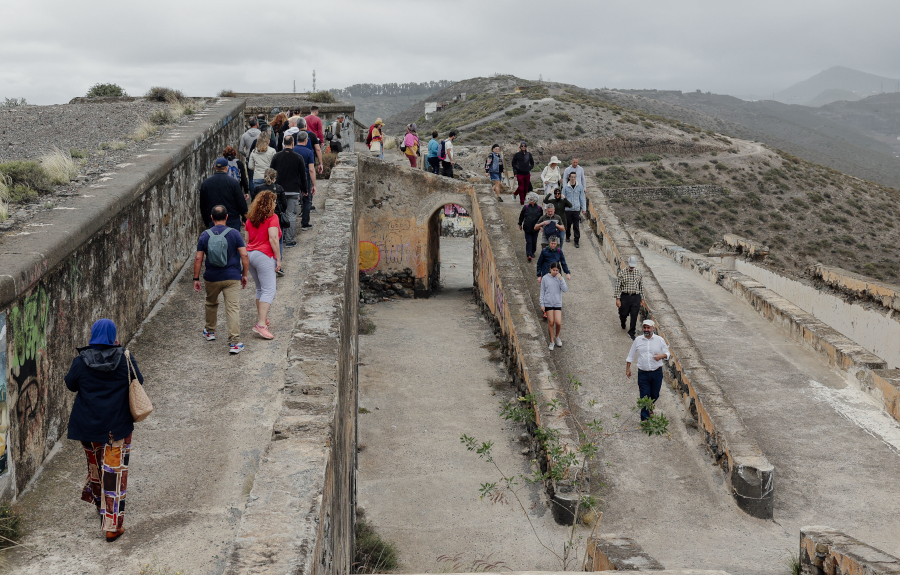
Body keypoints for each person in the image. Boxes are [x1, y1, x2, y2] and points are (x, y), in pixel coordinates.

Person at [65, 318, 144, 542]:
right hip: (116, 427)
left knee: (97, 468)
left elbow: (71, 384)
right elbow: (139, 381)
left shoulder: (81, 361)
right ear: (113, 335)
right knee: (114, 474)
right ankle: (112, 525)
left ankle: (103, 509)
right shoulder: (124, 358)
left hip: (88, 427)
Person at [193, 205, 250, 353]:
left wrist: (196, 278)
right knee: (232, 308)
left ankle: (210, 332)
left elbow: (199, 258)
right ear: (227, 217)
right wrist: (244, 274)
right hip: (232, 277)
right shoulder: (235, 234)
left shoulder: (205, 235)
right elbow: (244, 255)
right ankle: (234, 343)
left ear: (211, 218)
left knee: (211, 303)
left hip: (212, 277)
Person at [245, 190, 282, 340]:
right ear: (269, 204)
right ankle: (261, 325)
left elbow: (246, 239)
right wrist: (278, 258)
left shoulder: (250, 219)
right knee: (269, 290)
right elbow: (273, 239)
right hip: (264, 255)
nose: (275, 204)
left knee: (260, 288)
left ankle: (263, 317)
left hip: (250, 255)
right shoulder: (272, 218)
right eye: (274, 202)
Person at [625, 319, 670, 421]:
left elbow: (667, 354)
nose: (646, 329)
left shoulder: (659, 340)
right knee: (644, 395)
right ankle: (645, 419)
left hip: (657, 372)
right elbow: (631, 355)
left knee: (655, 394)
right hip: (643, 373)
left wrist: (661, 356)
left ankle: (650, 406)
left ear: (653, 328)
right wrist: (628, 369)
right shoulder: (638, 340)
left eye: (648, 327)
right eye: (644, 327)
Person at [270, 134, 307, 247]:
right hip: (293, 190)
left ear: (283, 144)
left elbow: (271, 173)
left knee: (280, 214)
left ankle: (281, 237)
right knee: (291, 215)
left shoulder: (276, 157)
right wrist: (304, 189)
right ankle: (290, 240)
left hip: (279, 190)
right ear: (293, 143)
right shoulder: (298, 157)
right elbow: (303, 175)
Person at [250, 168, 289, 275]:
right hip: (275, 216)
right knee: (278, 240)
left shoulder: (258, 188)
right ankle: (277, 263)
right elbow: (284, 205)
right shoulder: (279, 188)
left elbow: (253, 202)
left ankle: (262, 262)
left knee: (262, 239)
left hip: (260, 217)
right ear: (274, 178)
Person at [199, 157, 249, 230]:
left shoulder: (206, 183)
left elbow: (203, 205)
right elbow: (241, 202)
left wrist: (207, 221)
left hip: (214, 221)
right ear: (227, 168)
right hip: (232, 220)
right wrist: (245, 218)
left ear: (215, 167)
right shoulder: (233, 183)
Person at [540, 261, 568, 351]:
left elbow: (565, 289)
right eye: (554, 270)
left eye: (557, 270)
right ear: (550, 269)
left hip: (557, 303)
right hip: (548, 302)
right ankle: (552, 341)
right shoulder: (545, 278)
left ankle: (557, 337)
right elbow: (542, 292)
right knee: (551, 322)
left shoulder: (559, 278)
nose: (555, 272)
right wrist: (542, 303)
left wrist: (561, 280)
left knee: (558, 322)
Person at [615, 255, 645, 340]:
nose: (632, 267)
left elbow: (641, 286)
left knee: (634, 315)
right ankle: (623, 321)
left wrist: (642, 298)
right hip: (625, 296)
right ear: (628, 263)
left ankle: (631, 332)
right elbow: (618, 286)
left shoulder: (638, 273)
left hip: (636, 297)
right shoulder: (622, 273)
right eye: (630, 264)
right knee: (623, 313)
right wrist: (618, 299)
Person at [292, 131, 317, 229]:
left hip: (293, 177)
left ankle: (291, 223)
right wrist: (314, 184)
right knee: (307, 200)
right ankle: (305, 222)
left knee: (293, 198)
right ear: (306, 140)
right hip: (305, 177)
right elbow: (311, 169)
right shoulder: (309, 152)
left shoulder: (292, 150)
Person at [562, 171, 587, 248]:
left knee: (576, 225)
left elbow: (582, 198)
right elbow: (563, 199)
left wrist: (584, 209)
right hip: (568, 209)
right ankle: (568, 236)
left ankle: (576, 240)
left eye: (574, 177)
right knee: (568, 224)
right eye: (571, 177)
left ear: (575, 178)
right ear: (569, 177)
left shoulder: (579, 187)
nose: (573, 178)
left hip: (576, 209)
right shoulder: (565, 187)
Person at [517, 192, 543, 262]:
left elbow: (541, 219)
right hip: (527, 227)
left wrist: (541, 226)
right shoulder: (526, 207)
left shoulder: (539, 209)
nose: (529, 200)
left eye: (531, 199)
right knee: (529, 241)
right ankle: (529, 254)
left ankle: (532, 252)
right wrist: (520, 224)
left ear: (534, 200)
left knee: (534, 241)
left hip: (535, 228)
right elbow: (521, 216)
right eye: (529, 199)